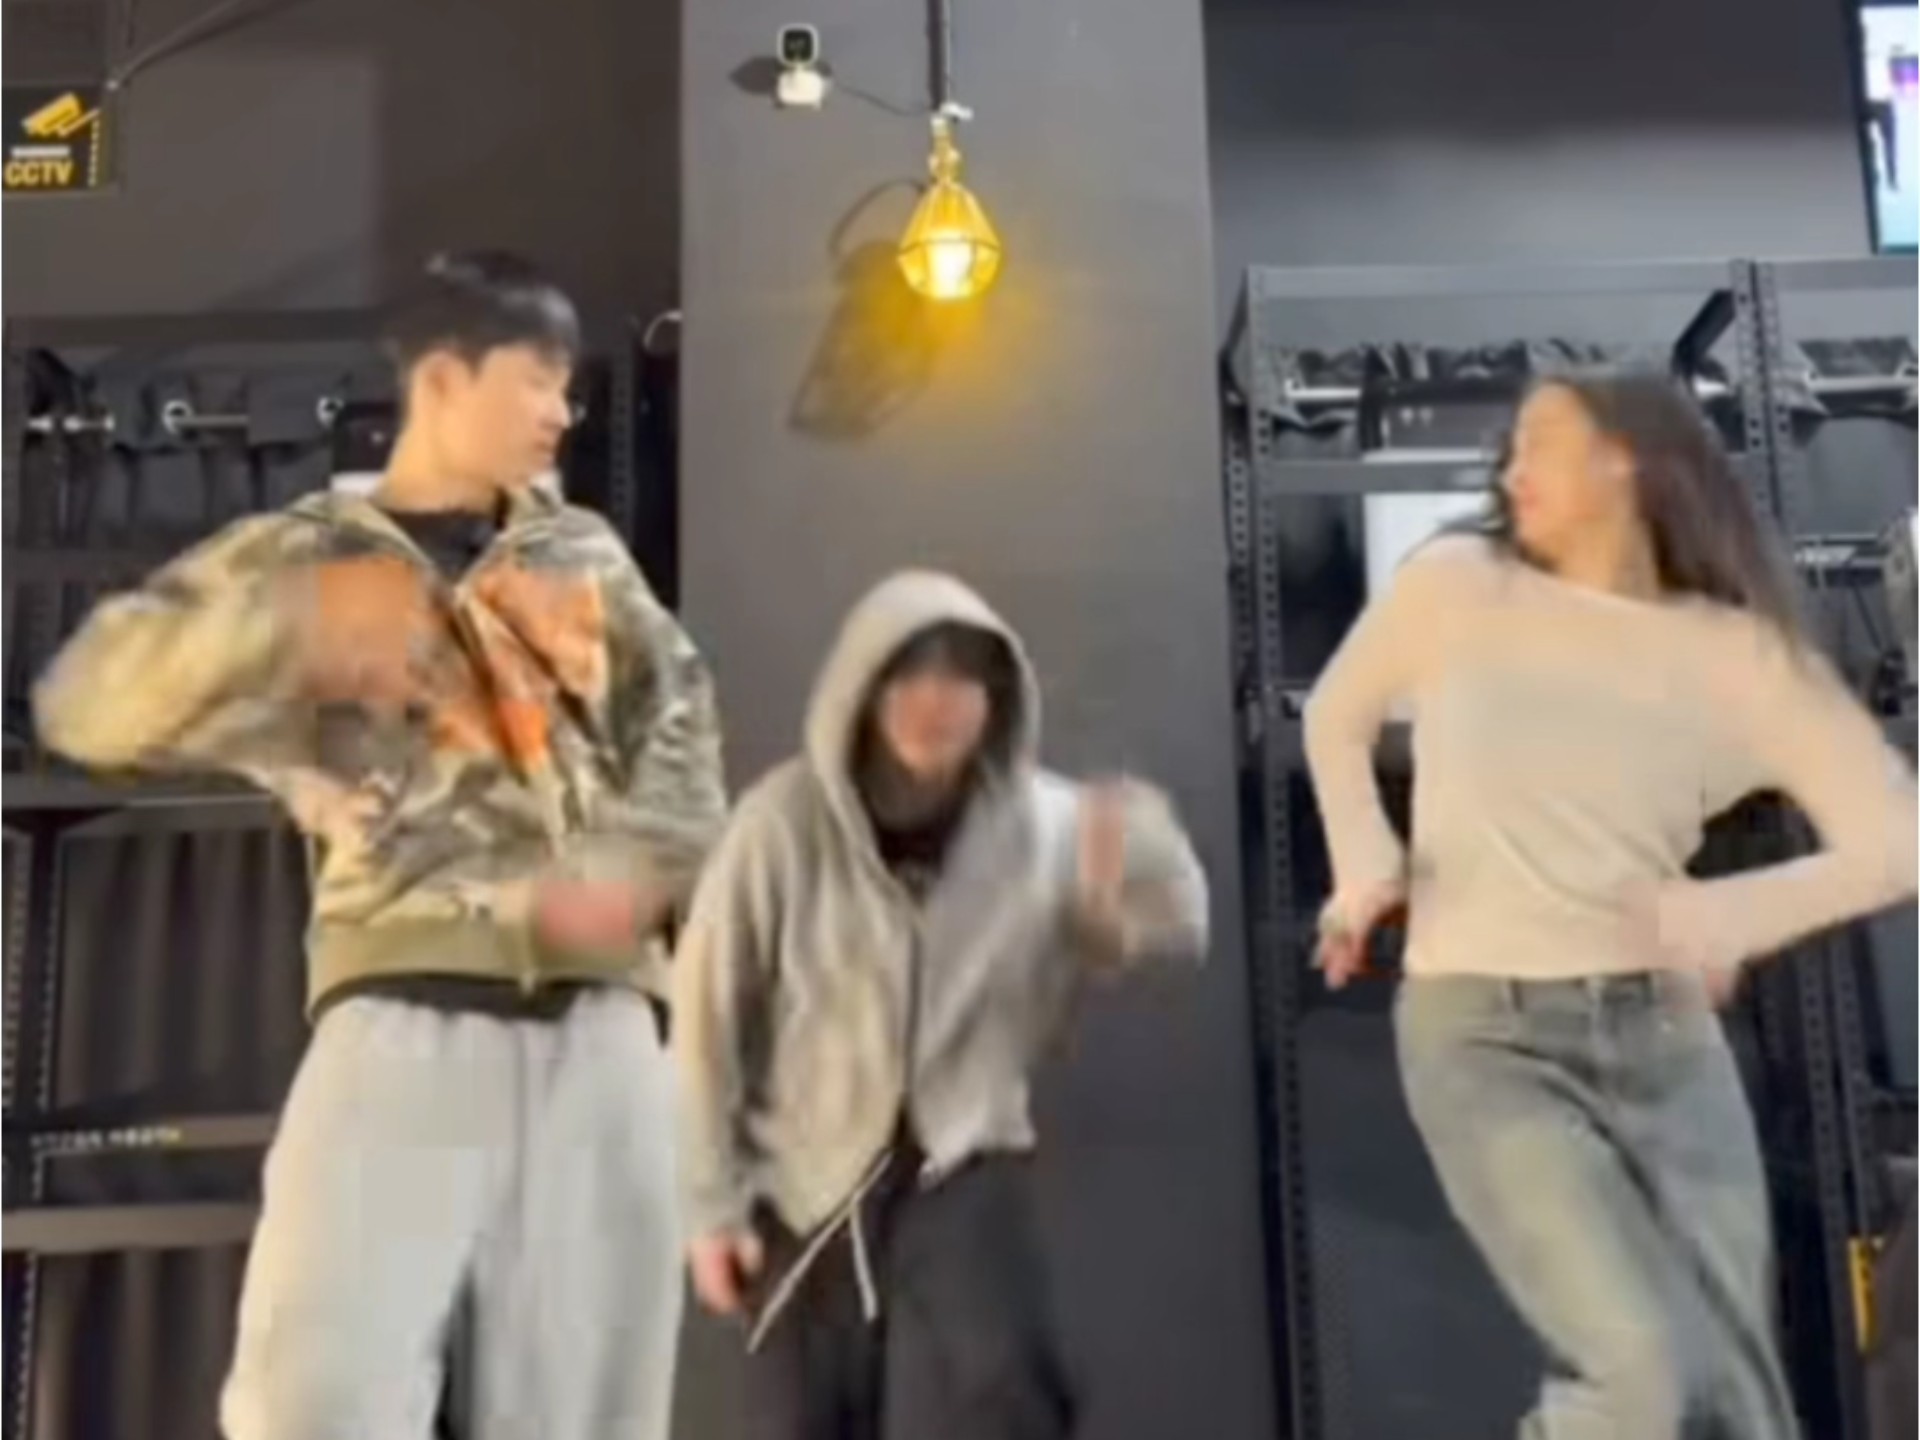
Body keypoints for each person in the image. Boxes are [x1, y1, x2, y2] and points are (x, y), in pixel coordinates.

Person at [32, 252, 727, 1440]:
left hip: (598, 1027)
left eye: (568, 387)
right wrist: (285, 641)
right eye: (536, 380)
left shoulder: (585, 559)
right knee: (315, 1397)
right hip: (397, 1006)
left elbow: (682, 739)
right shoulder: (304, 550)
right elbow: (90, 699)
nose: (562, 411)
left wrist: (640, 869)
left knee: (586, 1410)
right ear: (445, 381)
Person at [1303, 369, 1919, 1440]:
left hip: (1662, 1032)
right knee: (1637, 1376)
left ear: (1628, 462)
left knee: (1742, 1401)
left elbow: (1896, 841)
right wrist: (1365, 867)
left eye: (1541, 443)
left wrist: (1739, 915)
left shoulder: (1729, 655)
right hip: (1488, 1036)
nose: (1511, 469)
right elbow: (1336, 715)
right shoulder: (1455, 584)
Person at [672, 571, 1210, 1440]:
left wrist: (1114, 889)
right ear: (863, 689)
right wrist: (709, 1210)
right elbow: (705, 1025)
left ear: (996, 700)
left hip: (964, 1162)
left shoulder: (1043, 822)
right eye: (910, 675)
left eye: (962, 679)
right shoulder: (783, 824)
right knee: (796, 1420)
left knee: (1002, 1396)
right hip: (808, 1177)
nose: (936, 702)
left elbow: (1183, 913)